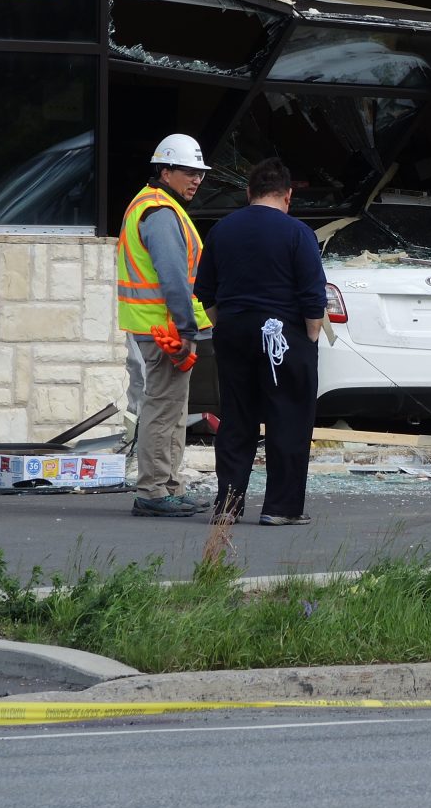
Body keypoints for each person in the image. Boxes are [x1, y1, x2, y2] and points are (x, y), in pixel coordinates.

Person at [196, 158, 327, 525]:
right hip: (283, 336)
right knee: (288, 418)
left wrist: (229, 325)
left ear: (248, 193)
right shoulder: (298, 232)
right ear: (288, 196)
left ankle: (228, 505)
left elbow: (205, 291)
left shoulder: (222, 229)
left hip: (234, 332)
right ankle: (280, 509)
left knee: (238, 418)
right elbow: (312, 296)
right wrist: (310, 339)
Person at [115, 133, 215, 517]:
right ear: (165, 170)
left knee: (172, 409)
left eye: (200, 174)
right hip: (165, 332)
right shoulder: (159, 213)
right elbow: (174, 279)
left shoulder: (156, 207)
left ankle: (169, 485)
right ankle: (154, 491)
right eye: (189, 172)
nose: (196, 180)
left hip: (163, 328)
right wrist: (188, 332)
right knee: (162, 409)